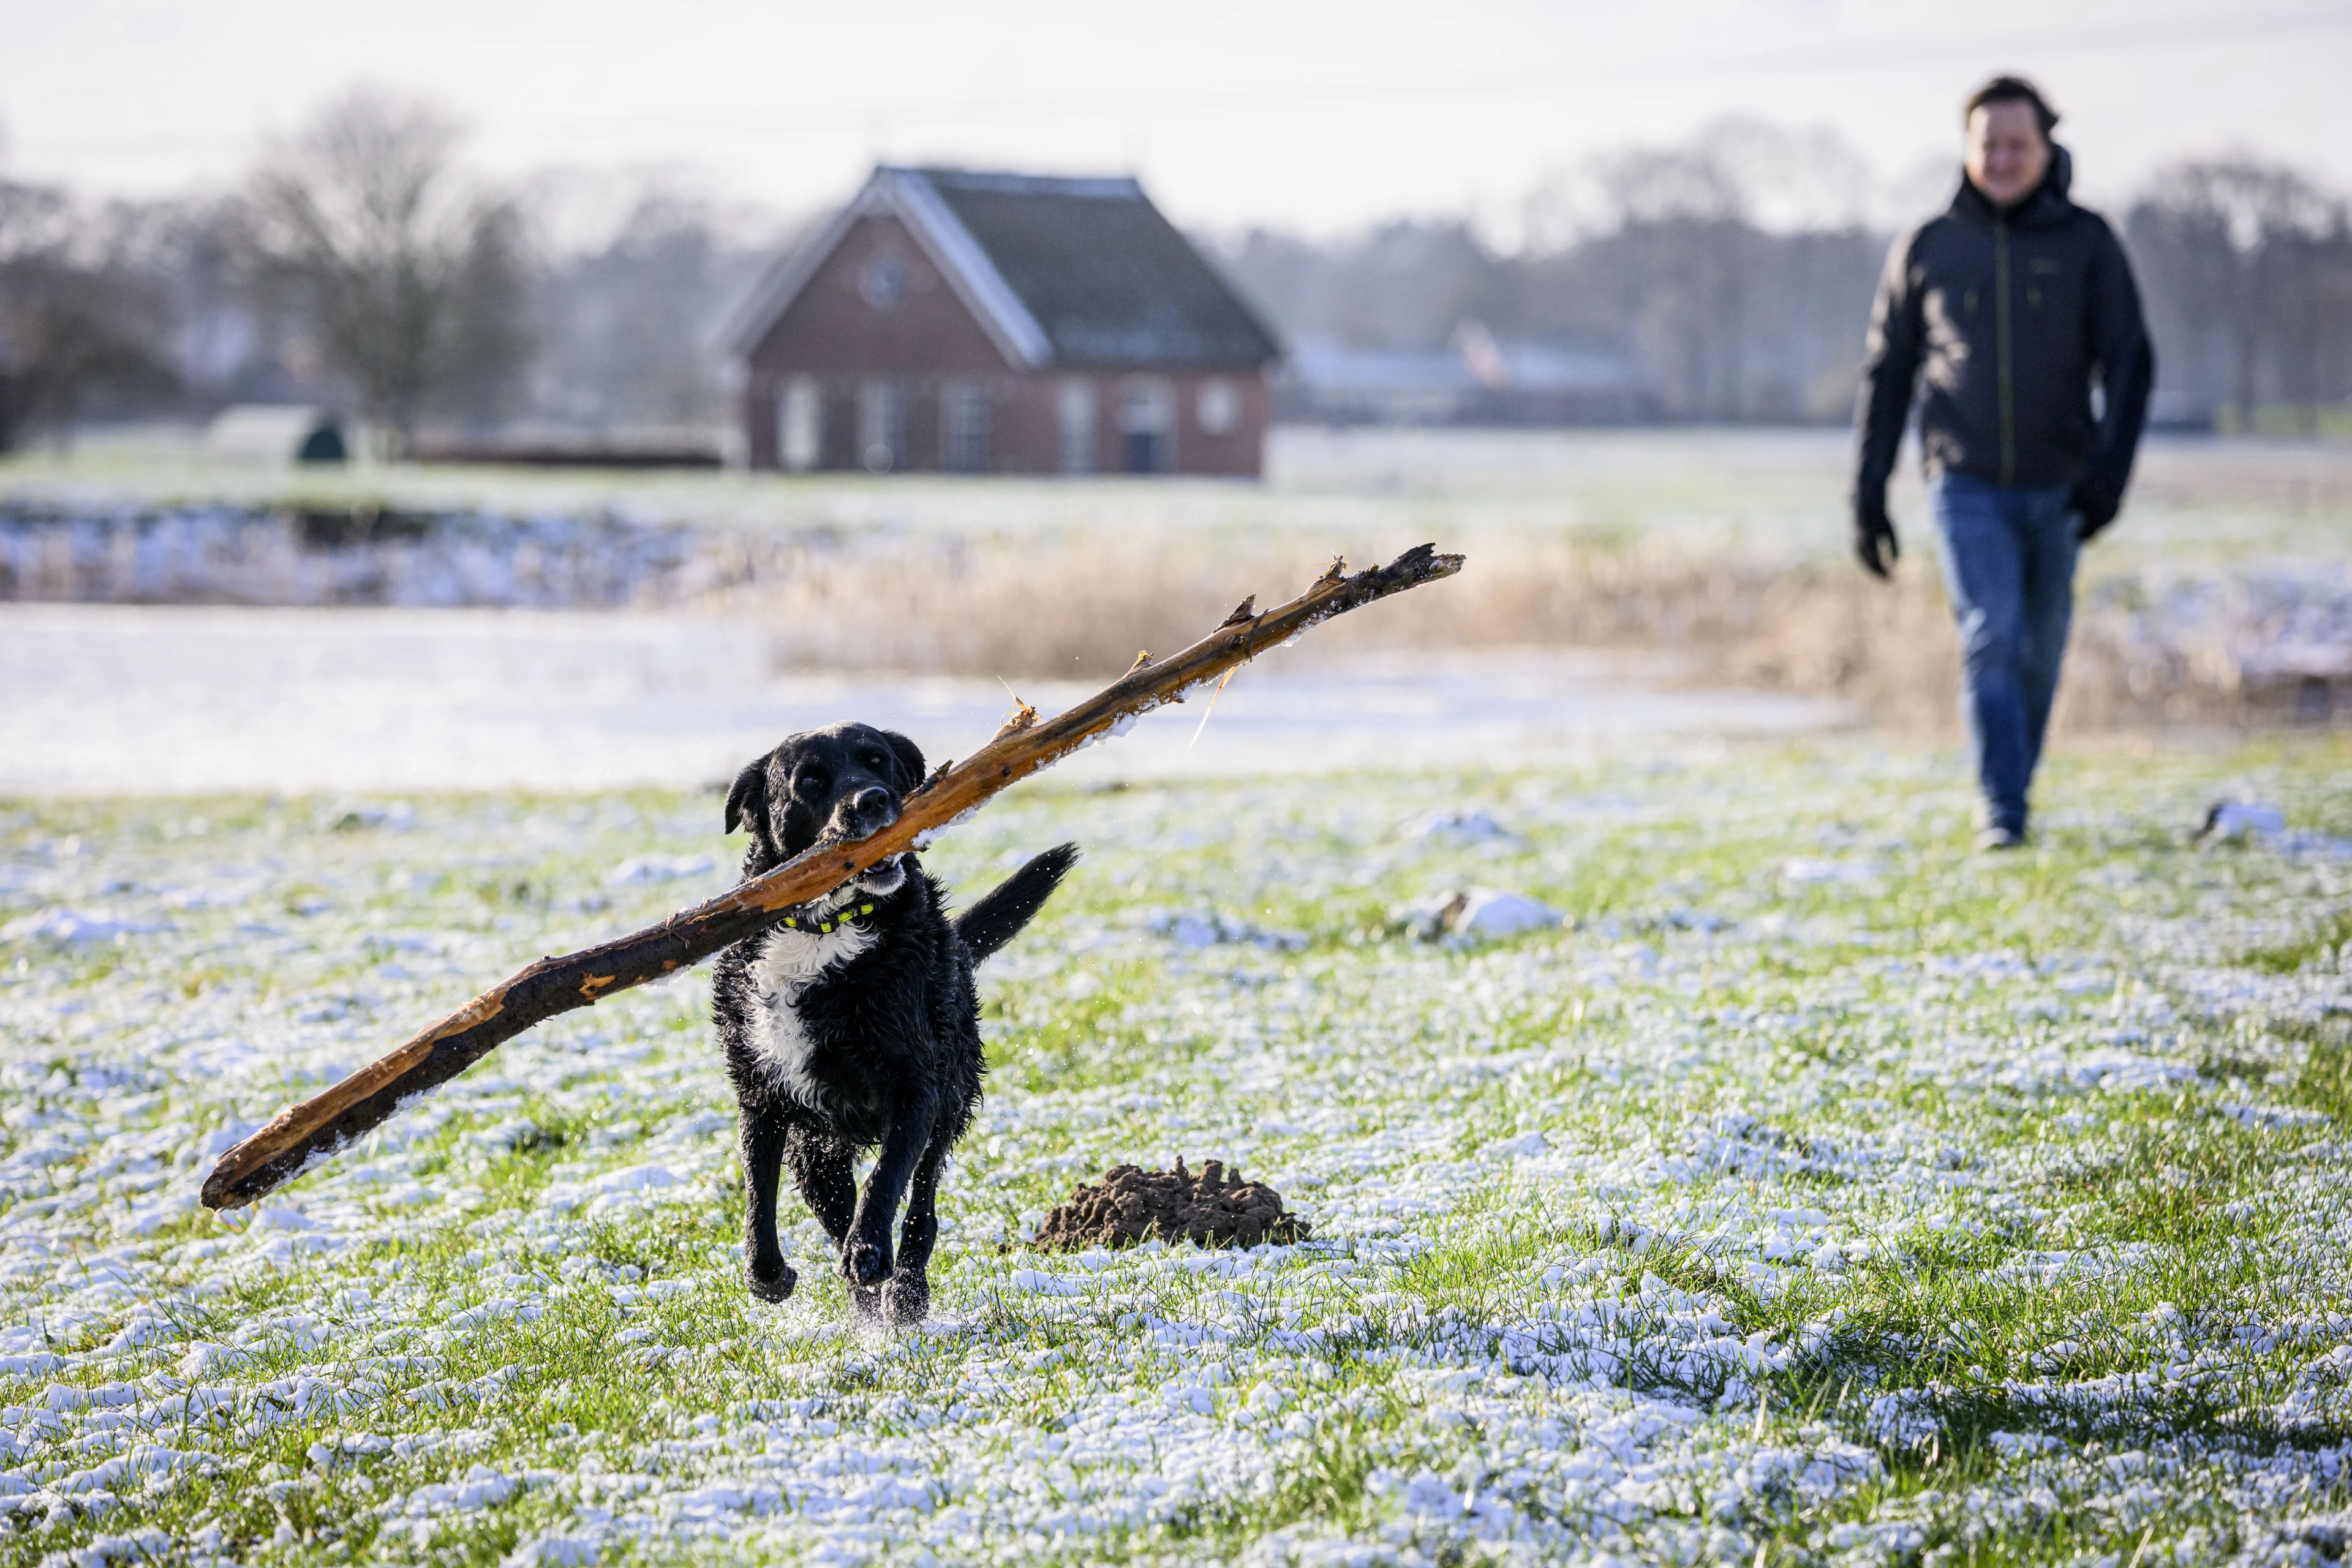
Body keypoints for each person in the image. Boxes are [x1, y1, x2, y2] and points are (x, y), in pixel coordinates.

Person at [1852, 75, 2154, 850]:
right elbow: (1887, 373)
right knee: (1992, 633)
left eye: (2018, 144)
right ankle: (2003, 812)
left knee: (2040, 649)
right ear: (1967, 148)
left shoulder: (2088, 243)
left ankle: (2012, 789)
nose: (2003, 157)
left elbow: (2129, 361)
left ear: (2047, 148)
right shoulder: (1928, 246)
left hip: (2060, 484)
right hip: (1964, 479)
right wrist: (1868, 495)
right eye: (1990, 143)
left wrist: (2110, 478)